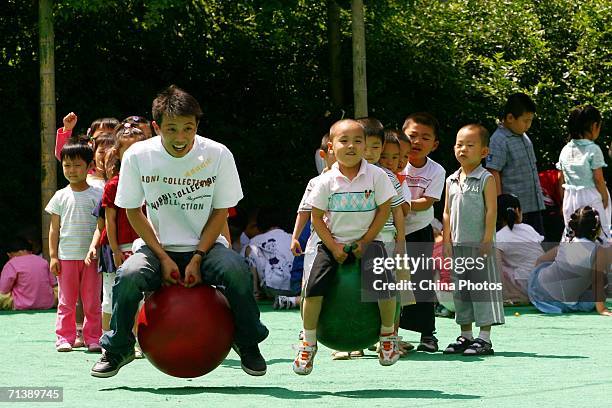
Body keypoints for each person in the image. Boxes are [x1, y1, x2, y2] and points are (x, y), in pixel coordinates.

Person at [91, 85, 268, 378]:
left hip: (207, 247)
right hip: (156, 247)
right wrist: (161, 257)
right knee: (129, 275)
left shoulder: (218, 154)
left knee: (236, 269)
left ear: (197, 125)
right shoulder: (138, 154)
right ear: (157, 127)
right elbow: (133, 211)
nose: (181, 137)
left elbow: (220, 211)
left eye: (188, 128)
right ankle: (119, 348)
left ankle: (247, 341)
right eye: (172, 129)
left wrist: (198, 257)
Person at [293, 119, 399, 375]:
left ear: (366, 147)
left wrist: (366, 241)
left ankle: (387, 335)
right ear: (331, 147)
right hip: (331, 244)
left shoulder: (377, 176)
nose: (351, 146)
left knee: (385, 288)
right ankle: (308, 342)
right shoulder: (325, 181)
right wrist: (333, 246)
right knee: (313, 289)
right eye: (344, 141)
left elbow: (385, 210)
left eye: (358, 141)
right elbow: (316, 217)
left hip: (370, 243)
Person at [442, 124, 504, 356]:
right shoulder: (451, 180)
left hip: (480, 246)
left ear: (484, 152)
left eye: (470, 145)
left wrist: (487, 239)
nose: (463, 149)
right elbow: (446, 212)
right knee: (461, 291)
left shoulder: (486, 178)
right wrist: (446, 239)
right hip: (457, 247)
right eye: (459, 144)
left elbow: (491, 210)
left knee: (482, 290)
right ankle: (465, 335)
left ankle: (484, 338)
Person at [45, 143, 103, 352]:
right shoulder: (60, 196)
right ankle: (64, 338)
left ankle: (93, 337)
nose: (71, 170)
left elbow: (102, 226)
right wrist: (53, 257)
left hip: (92, 259)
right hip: (66, 257)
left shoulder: (98, 194)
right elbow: (53, 230)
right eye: (67, 165)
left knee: (92, 302)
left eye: (77, 165)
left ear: (89, 166)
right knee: (66, 301)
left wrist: (96, 248)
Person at [398, 112, 446, 353]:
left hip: (419, 231)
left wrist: (401, 205)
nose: (417, 142)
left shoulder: (437, 171)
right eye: (412, 136)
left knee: (421, 283)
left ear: (434, 145)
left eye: (425, 138)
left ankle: (428, 335)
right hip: (390, 232)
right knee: (388, 283)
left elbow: (427, 202)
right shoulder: (392, 163)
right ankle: (388, 333)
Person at [528, 206, 611, 316]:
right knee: (601, 284)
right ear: (597, 229)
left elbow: (540, 260)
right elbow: (597, 280)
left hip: (539, 293)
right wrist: (602, 309)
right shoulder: (598, 251)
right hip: (565, 302)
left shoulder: (566, 244)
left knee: (547, 265)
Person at [486, 92, 546, 234]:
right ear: (510, 118)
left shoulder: (523, 136)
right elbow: (494, 172)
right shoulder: (499, 140)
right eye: (525, 121)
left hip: (533, 204)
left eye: (530, 121)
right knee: (517, 249)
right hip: (514, 210)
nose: (528, 125)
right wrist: (500, 204)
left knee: (537, 244)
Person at [557, 105, 610, 242]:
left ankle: (574, 262)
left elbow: (560, 178)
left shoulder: (565, 149)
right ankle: (600, 262)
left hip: (570, 199)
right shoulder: (593, 149)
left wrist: (563, 201)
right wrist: (605, 197)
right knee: (599, 234)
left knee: (573, 235)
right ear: (594, 126)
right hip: (591, 197)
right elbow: (598, 178)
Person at [495, 194, 544, 303]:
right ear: (518, 211)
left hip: (525, 284)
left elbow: (496, 268)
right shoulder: (529, 229)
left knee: (492, 262)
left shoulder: (499, 237)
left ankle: (512, 295)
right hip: (541, 281)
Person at [0, 237, 57, 310]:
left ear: (10, 254)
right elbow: (54, 284)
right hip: (47, 303)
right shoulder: (43, 261)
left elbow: (4, 289)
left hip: (20, 304)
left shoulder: (11, 263)